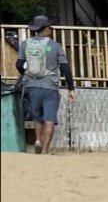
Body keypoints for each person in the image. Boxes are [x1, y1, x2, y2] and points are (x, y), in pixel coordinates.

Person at [15, 15, 75, 155]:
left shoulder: (25, 44)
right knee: (49, 118)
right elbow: (65, 68)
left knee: (37, 117)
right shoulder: (55, 46)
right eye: (50, 27)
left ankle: (37, 141)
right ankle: (45, 151)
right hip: (50, 87)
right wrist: (71, 88)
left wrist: (27, 73)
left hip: (32, 87)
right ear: (46, 29)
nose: (52, 29)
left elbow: (18, 64)